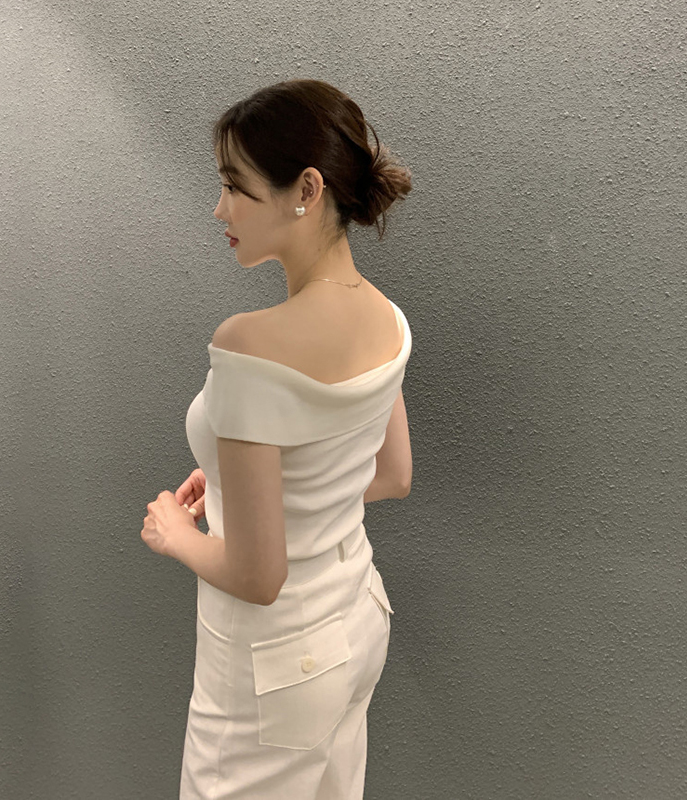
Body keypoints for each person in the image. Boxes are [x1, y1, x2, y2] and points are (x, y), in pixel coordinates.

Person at [140, 78, 413, 800]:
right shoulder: (388, 321)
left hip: (274, 664)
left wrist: (176, 532)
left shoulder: (249, 345)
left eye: (235, 186)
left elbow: (260, 578)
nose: (219, 208)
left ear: (307, 190)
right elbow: (391, 473)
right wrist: (243, 488)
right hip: (358, 619)